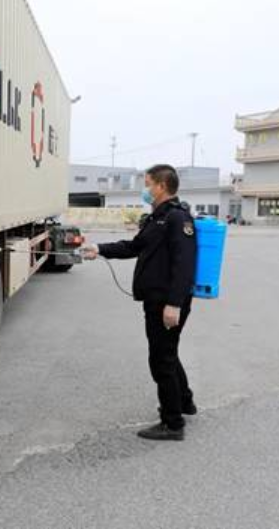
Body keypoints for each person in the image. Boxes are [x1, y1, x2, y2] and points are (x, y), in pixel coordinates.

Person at [82, 164, 197, 441]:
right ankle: (184, 402)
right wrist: (99, 249)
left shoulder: (177, 218)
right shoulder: (157, 217)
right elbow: (134, 247)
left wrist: (174, 304)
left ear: (161, 186)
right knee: (168, 353)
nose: (145, 190)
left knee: (161, 360)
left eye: (147, 184)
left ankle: (172, 424)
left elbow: (184, 264)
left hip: (166, 301)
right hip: (156, 299)